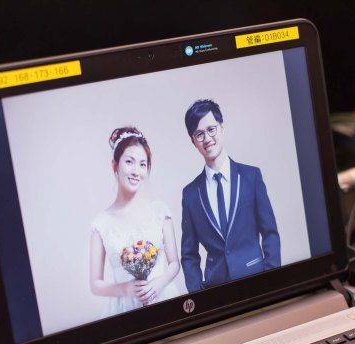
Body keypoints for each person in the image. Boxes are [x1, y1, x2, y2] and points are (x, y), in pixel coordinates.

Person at [180, 99, 280, 291]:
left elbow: (270, 232)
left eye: (211, 129)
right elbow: (189, 254)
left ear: (222, 128)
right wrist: (198, 294)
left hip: (257, 279)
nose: (207, 139)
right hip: (216, 289)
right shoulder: (190, 194)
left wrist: (271, 277)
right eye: (199, 134)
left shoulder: (251, 177)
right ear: (193, 141)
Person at [90, 126, 180, 316]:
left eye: (142, 164)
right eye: (129, 162)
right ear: (115, 165)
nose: (136, 171)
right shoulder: (101, 223)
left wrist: (157, 285)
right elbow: (95, 284)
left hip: (162, 297)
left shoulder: (160, 211)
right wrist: (127, 289)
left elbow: (174, 264)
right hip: (123, 309)